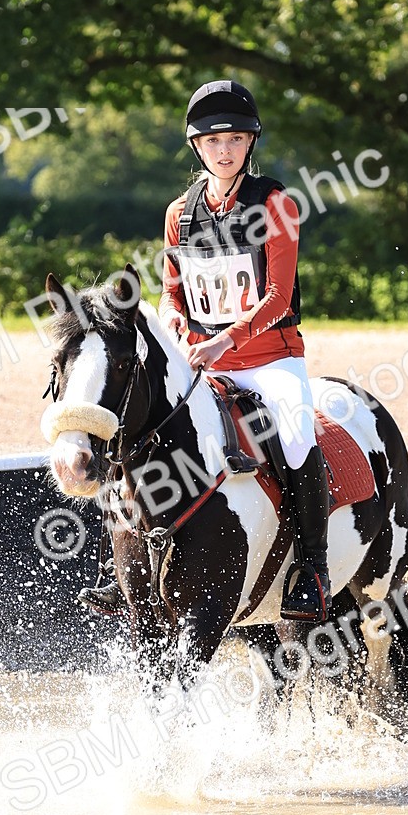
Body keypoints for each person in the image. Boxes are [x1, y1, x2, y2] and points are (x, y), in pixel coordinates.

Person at [82, 79, 332, 622]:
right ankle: (121, 567)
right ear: (198, 147)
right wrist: (175, 320)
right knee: (137, 426)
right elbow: (173, 289)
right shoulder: (180, 213)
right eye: (214, 141)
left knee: (294, 434)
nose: (225, 150)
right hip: (200, 360)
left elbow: (277, 296)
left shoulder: (276, 204)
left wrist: (225, 340)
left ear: (250, 145)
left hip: (270, 359)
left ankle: (313, 568)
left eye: (236, 140)